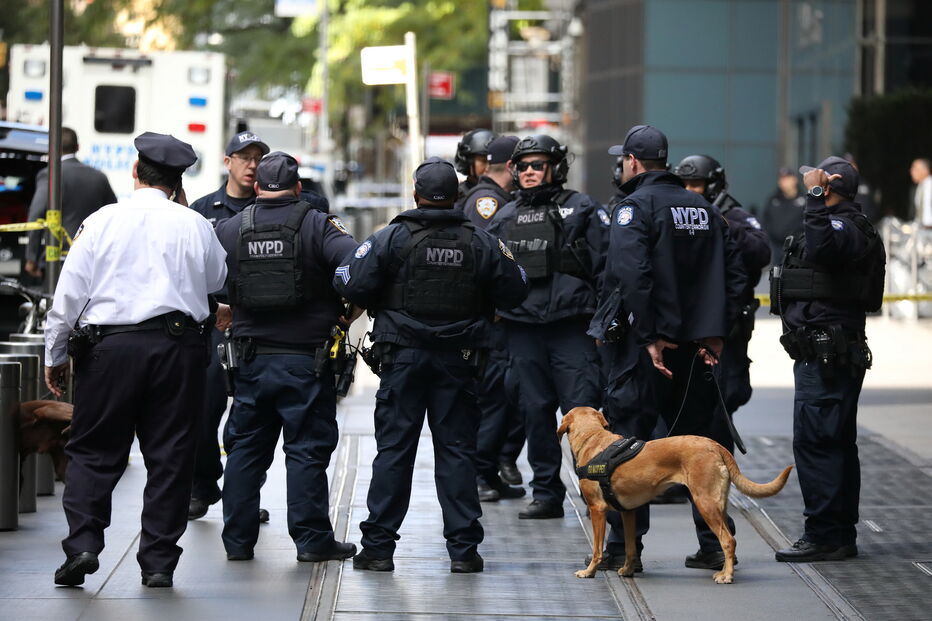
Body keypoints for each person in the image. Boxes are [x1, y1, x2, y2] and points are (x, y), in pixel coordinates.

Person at [44, 132, 228, 588]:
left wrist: (54, 352)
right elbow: (217, 278)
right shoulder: (194, 223)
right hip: (178, 350)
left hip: (110, 351)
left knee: (93, 450)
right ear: (178, 181)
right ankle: (159, 562)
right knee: (169, 455)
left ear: (134, 172)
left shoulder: (102, 221)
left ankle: (84, 544)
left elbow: (69, 294)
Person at [334, 157, 528, 573]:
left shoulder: (391, 238)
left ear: (415, 193)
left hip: (401, 359)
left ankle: (379, 549)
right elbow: (517, 288)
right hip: (458, 363)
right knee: (457, 453)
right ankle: (463, 552)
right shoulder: (480, 241)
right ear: (457, 196)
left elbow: (348, 280)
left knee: (394, 452)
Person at [589, 125, 745, 571]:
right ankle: (715, 545)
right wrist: (717, 333)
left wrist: (650, 336)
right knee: (700, 446)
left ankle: (623, 550)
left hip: (647, 350)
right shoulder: (704, 208)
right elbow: (735, 276)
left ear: (633, 162)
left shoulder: (632, 208)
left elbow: (630, 273)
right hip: (699, 350)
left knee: (625, 445)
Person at [213, 151, 359, 563]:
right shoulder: (317, 225)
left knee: (245, 450)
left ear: (257, 187)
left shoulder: (230, 228)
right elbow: (360, 268)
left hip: (250, 362)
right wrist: (347, 311)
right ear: (298, 188)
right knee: (307, 451)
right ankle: (312, 542)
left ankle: (237, 542)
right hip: (305, 364)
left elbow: (201, 278)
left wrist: (226, 309)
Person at [487, 134, 609, 520]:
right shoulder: (504, 216)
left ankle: (598, 491)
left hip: (572, 328)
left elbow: (608, 266)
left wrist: (607, 322)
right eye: (522, 166)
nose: (528, 172)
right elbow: (488, 272)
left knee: (584, 415)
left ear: (555, 168)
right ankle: (546, 493)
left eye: (537, 165)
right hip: (522, 330)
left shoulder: (583, 208)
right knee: (535, 412)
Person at [770, 157, 885, 562]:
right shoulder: (837, 222)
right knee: (832, 443)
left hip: (828, 354)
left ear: (831, 185)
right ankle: (836, 533)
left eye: (818, 179)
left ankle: (825, 535)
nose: (808, 181)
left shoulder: (844, 226)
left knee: (819, 443)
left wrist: (815, 197)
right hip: (821, 350)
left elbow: (823, 246)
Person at [674, 154, 771, 568]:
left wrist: (715, 220)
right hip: (685, 340)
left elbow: (759, 251)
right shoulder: (676, 216)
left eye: (697, 187)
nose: (691, 193)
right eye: (686, 186)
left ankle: (715, 540)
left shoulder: (732, 215)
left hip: (724, 341)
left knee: (715, 426)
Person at [186, 130, 270, 520]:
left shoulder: (272, 207)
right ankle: (202, 486)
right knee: (204, 409)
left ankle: (243, 496)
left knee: (252, 419)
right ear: (228, 162)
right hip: (214, 324)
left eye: (258, 158)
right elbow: (188, 270)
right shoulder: (203, 209)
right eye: (245, 157)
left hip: (259, 325)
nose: (252, 165)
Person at [459, 135, 526, 502]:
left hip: (501, 317)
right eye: (525, 165)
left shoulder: (502, 200)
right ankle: (478, 473)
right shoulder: (487, 202)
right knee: (493, 399)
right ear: (511, 167)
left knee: (506, 398)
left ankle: (488, 471)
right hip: (491, 321)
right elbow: (482, 258)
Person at [25, 126, 116, 278]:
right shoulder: (99, 176)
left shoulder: (49, 174)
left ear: (51, 148)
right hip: (92, 259)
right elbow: (113, 216)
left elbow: (36, 215)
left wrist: (31, 258)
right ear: (78, 147)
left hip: (58, 259)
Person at [763, 167, 806, 264]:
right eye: (782, 179)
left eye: (787, 178)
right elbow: (766, 220)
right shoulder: (773, 200)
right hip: (776, 247)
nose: (784, 182)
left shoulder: (804, 200)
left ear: (794, 180)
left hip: (797, 248)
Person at [453, 128, 497, 208]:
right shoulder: (456, 197)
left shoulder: (508, 193)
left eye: (492, 162)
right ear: (468, 162)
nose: (488, 167)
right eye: (483, 161)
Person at [910, 157, 932, 227]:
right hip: (920, 229)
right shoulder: (917, 188)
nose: (911, 171)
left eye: (915, 169)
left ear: (925, 170)